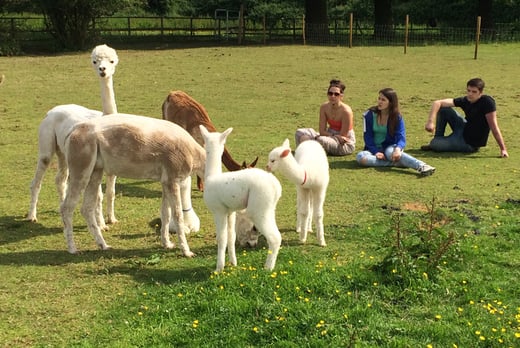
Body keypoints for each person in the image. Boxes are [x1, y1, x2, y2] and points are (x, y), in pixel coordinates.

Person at [421, 77, 509, 158]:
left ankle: (436, 143)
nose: (470, 94)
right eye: (468, 90)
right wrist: (430, 122)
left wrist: (503, 149)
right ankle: (438, 138)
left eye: (474, 92)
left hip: (469, 143)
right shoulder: (466, 100)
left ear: (481, 93)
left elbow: (494, 127)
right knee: (443, 109)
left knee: (435, 144)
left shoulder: (487, 103)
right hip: (464, 128)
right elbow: (437, 103)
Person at [356, 88, 436, 176]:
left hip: (390, 147)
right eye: (379, 99)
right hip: (372, 149)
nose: (379, 102)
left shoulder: (397, 117)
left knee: (391, 153)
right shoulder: (369, 115)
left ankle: (422, 166)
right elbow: (367, 137)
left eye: (383, 100)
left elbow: (401, 137)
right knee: (361, 157)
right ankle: (397, 163)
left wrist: (398, 149)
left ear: (391, 103)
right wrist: (376, 152)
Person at [295, 79, 355, 156]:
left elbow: (342, 137)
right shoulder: (324, 107)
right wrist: (332, 135)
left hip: (344, 144)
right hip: (329, 135)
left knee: (321, 140)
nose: (332, 96)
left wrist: (327, 136)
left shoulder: (346, 111)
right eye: (330, 93)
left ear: (341, 96)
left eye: (336, 94)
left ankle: (311, 151)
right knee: (300, 132)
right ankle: (305, 153)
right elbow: (322, 131)